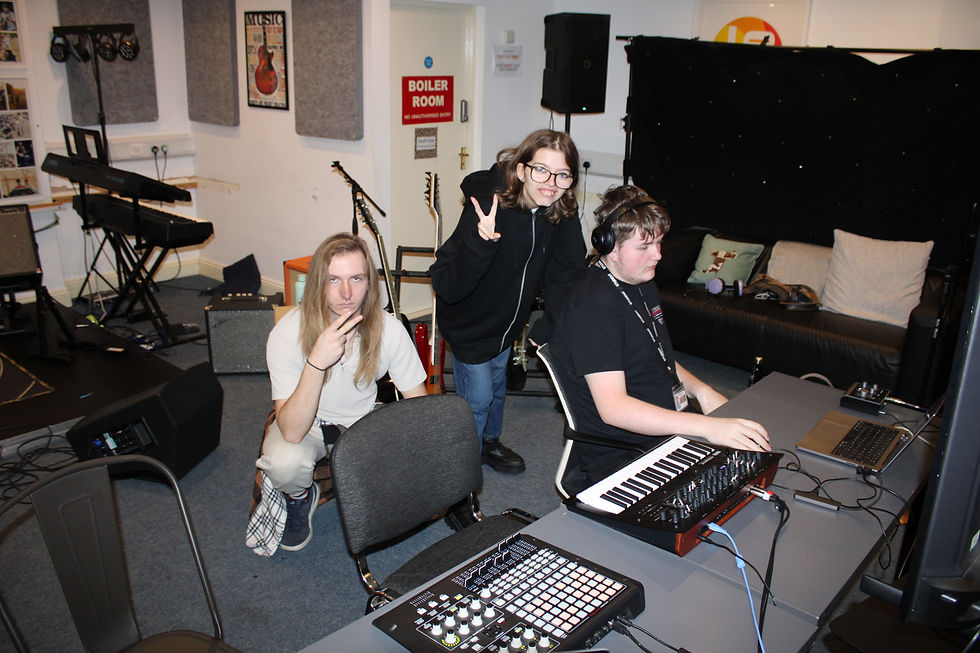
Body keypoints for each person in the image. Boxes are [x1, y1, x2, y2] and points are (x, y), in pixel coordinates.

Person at [547, 185, 770, 494]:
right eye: (645, 247)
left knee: (762, 457)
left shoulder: (641, 281)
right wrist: (706, 426)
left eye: (660, 243)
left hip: (670, 426)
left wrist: (703, 392)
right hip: (630, 454)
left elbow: (655, 353)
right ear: (610, 246)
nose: (658, 255)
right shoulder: (593, 308)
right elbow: (614, 408)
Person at [249, 233, 426, 554]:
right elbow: (290, 430)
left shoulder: (389, 329)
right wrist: (316, 363)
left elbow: (419, 405)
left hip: (364, 420)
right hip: (308, 424)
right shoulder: (287, 333)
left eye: (356, 278)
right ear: (318, 283)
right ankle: (299, 498)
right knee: (283, 463)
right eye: (334, 280)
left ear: (370, 282)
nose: (346, 293)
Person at [430, 129, 586, 474]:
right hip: (470, 324)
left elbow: (569, 274)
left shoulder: (557, 212)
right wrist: (480, 242)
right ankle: (461, 471)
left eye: (563, 174)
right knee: (479, 399)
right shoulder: (490, 207)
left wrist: (554, 328)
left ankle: (489, 443)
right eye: (541, 170)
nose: (551, 182)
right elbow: (446, 282)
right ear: (521, 170)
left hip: (507, 325)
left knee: (497, 388)